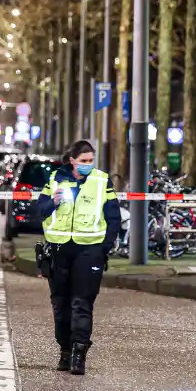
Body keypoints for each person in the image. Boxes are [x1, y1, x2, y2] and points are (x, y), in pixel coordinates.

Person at [36, 140, 121, 375]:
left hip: (89, 250)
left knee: (82, 304)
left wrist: (103, 248)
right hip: (59, 249)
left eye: (91, 161)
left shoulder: (101, 180)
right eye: (83, 161)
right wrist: (53, 202)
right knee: (60, 304)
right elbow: (40, 210)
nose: (88, 165)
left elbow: (113, 217)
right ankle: (64, 350)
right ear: (72, 160)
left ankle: (78, 354)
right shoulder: (55, 179)